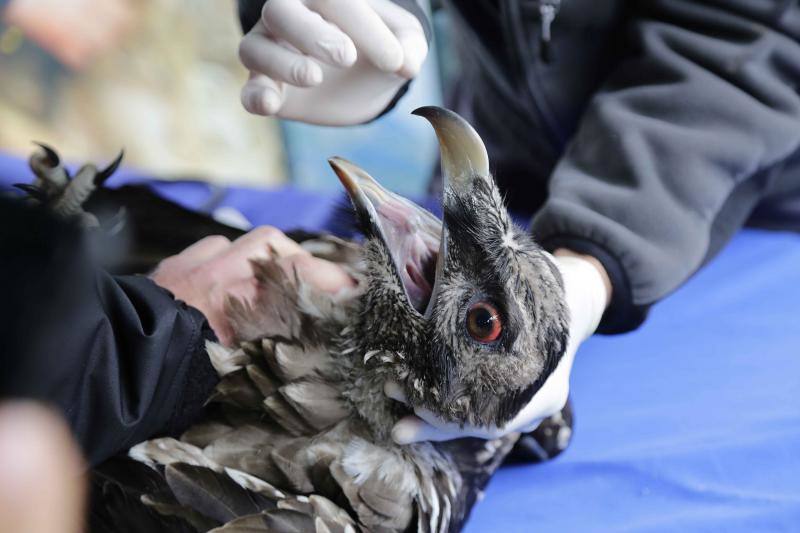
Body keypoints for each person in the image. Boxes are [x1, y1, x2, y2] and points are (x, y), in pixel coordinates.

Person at [235, 0, 800, 443]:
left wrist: (597, 259)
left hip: (725, 176)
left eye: (482, 322)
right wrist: (355, 19)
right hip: (511, 147)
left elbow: (746, 40)